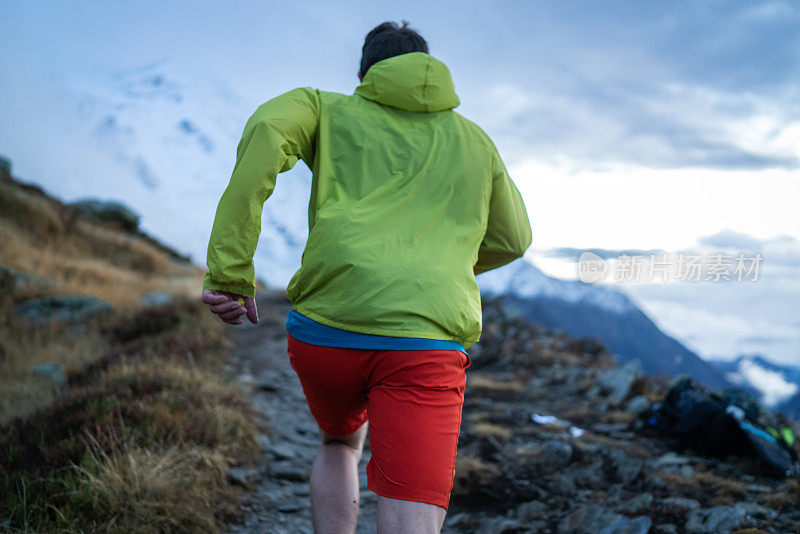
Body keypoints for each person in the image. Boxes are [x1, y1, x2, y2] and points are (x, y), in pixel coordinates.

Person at [201, 20, 532, 534]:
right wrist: (441, 265)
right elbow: (513, 238)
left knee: (340, 442)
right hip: (426, 343)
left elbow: (267, 130)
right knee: (410, 498)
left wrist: (230, 270)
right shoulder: (476, 142)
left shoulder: (323, 107)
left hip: (326, 331)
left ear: (364, 73)